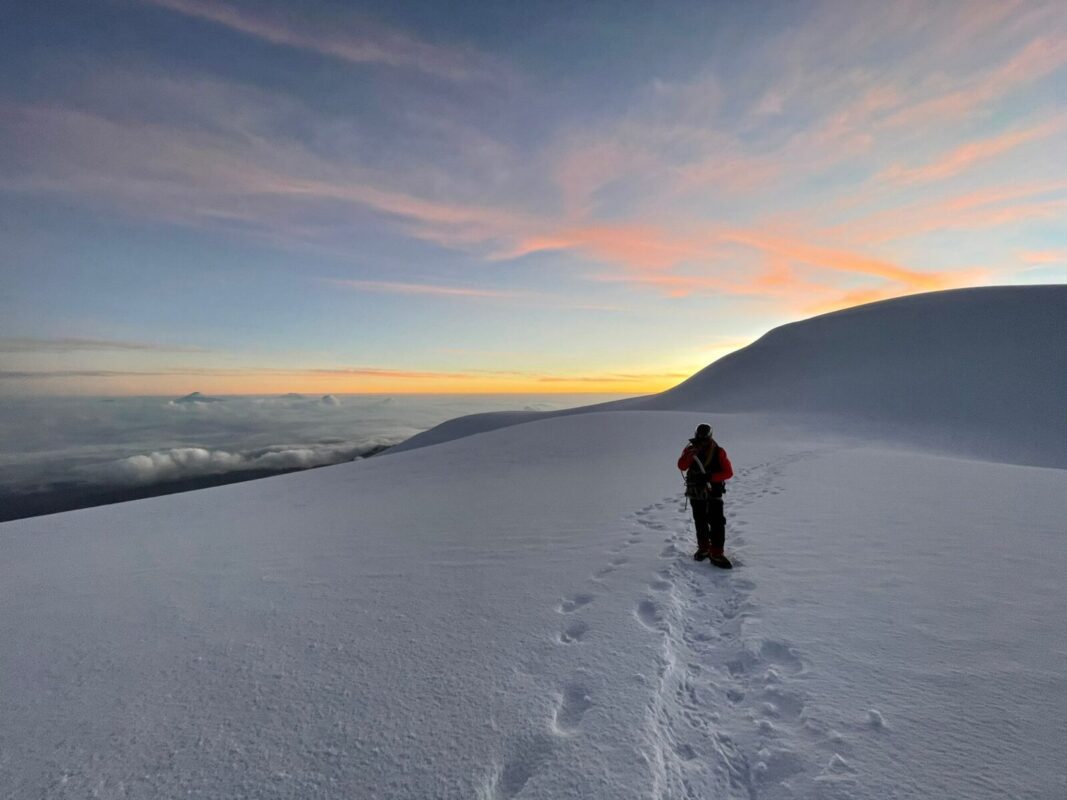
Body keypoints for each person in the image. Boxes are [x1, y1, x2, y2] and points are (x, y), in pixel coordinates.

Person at [677, 424, 734, 568]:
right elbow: (682, 466)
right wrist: (690, 454)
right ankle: (704, 548)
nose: (701, 440)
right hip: (696, 492)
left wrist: (710, 477)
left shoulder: (718, 451)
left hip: (713, 492)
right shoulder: (690, 450)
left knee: (717, 522)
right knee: (700, 520)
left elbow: (728, 472)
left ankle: (717, 552)